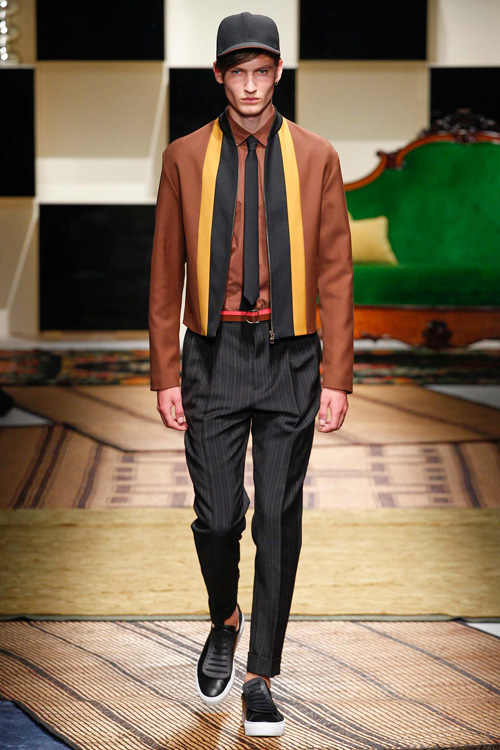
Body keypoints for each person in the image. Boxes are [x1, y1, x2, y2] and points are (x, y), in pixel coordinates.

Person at [148, 11, 354, 738]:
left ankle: (261, 676)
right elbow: (164, 268)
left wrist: (337, 375)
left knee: (276, 519)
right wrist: (165, 372)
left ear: (277, 74)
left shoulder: (316, 156)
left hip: (291, 355)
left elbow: (336, 271)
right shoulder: (184, 157)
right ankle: (225, 617)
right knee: (218, 517)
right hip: (212, 355)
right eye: (237, 72)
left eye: (262, 71)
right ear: (219, 76)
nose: (250, 85)